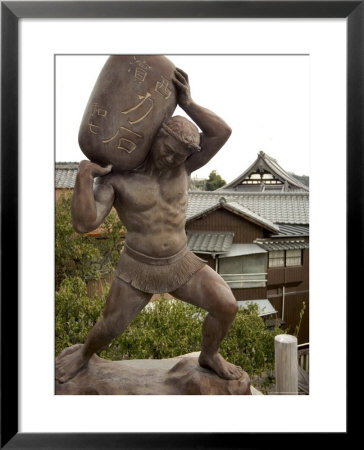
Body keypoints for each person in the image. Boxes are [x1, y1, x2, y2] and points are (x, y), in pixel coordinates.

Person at [56, 68, 243, 383]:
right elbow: (83, 224)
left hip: (181, 262)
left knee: (227, 305)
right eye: (168, 149)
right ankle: (84, 354)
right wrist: (84, 178)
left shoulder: (184, 167)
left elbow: (222, 132)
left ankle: (209, 355)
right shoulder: (119, 179)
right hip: (138, 265)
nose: (170, 158)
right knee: (109, 326)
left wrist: (189, 103)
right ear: (156, 136)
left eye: (178, 155)